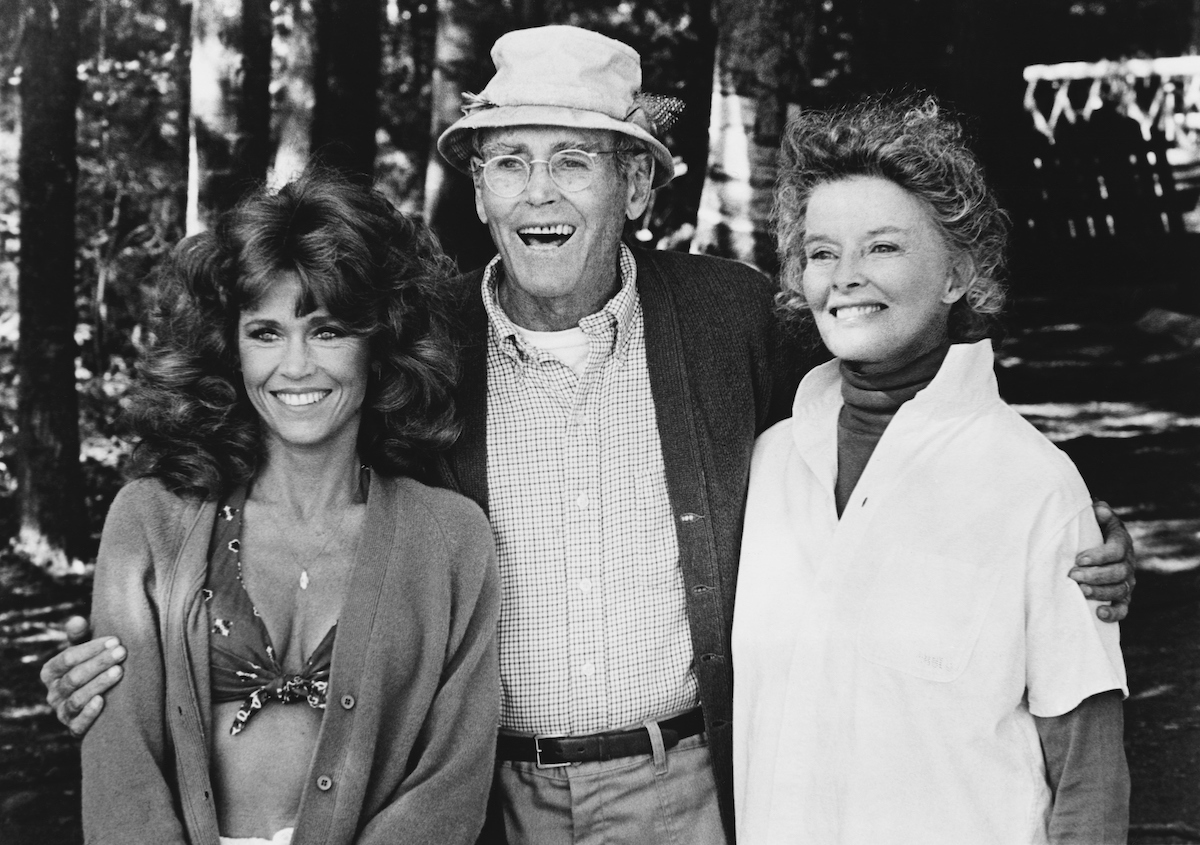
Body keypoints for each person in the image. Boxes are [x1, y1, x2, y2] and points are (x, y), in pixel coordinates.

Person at [46, 26, 1135, 845]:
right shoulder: (421, 348)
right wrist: (130, 642)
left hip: (690, 789)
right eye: (511, 160)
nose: (539, 193)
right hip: (481, 797)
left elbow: (902, 417)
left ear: (636, 183)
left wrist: (1073, 541)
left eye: (574, 160)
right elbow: (282, 473)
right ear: (477, 187)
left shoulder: (732, 320)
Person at [733, 97, 1129, 844]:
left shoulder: (1034, 485)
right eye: (822, 252)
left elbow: (1088, 775)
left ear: (958, 274)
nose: (845, 277)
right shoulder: (771, 462)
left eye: (882, 247)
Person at [79, 170, 500, 845]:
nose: (295, 365)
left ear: (379, 341)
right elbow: (120, 770)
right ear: (229, 345)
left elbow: (451, 780)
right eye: (266, 332)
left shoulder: (451, 538)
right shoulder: (149, 520)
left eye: (328, 330)